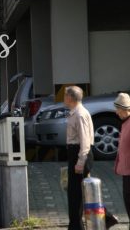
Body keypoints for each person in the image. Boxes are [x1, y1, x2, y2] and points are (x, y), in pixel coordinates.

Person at [64, 85, 94, 230]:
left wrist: (80, 162)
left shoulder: (80, 114)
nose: (64, 98)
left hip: (80, 153)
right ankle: (75, 225)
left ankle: (76, 226)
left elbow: (85, 141)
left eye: (65, 95)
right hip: (75, 153)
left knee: (76, 193)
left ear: (70, 97)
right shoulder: (75, 113)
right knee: (75, 192)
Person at [114, 93, 130, 220]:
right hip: (126, 172)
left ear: (125, 109)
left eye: (118, 108)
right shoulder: (125, 123)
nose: (116, 112)